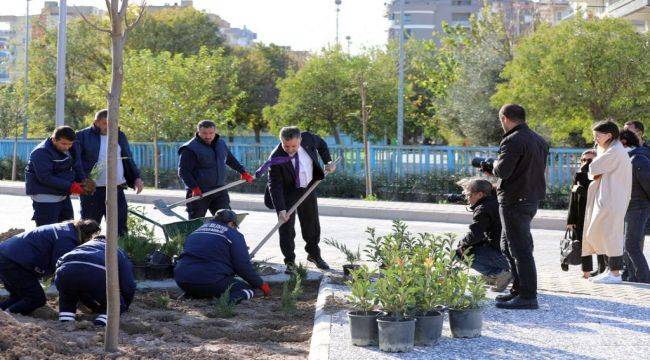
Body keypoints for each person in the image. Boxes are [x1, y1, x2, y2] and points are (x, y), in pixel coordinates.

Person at [481, 104, 548, 310]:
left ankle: (528, 296)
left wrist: (492, 164)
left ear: (505, 119)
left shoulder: (512, 140)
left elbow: (503, 171)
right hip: (530, 197)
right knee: (507, 245)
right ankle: (518, 289)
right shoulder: (539, 139)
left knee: (520, 249)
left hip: (515, 199)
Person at [258, 126, 336, 274]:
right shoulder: (276, 158)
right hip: (287, 193)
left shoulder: (309, 138)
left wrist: (328, 162)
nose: (290, 149)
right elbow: (275, 185)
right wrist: (281, 209)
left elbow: (322, 145)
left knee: (311, 224)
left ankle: (314, 255)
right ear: (281, 141)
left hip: (308, 187)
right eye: (286, 146)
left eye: (294, 146)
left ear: (300, 139)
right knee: (286, 228)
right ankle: (290, 261)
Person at [0, 220, 100, 315]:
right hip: (15, 262)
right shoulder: (67, 241)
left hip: (6, 254)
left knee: (19, 297)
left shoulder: (68, 229)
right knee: (36, 299)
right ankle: (7, 317)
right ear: (87, 237)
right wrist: (92, 304)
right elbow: (66, 275)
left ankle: (4, 315)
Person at [174, 209, 270, 303]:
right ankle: (221, 303)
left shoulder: (195, 232)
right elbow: (242, 266)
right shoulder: (233, 234)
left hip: (182, 281)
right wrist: (260, 284)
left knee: (207, 283)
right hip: (209, 281)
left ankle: (193, 294)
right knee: (247, 290)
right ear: (232, 223)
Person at [75, 109, 144, 236]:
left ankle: (119, 254)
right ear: (95, 122)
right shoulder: (82, 136)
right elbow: (76, 162)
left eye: (112, 123)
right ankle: (88, 254)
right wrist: (83, 180)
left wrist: (136, 178)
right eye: (104, 123)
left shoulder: (120, 135)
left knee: (120, 228)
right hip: (92, 190)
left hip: (116, 188)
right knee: (89, 228)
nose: (108, 127)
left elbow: (128, 157)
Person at [583, 121, 632, 284]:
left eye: (598, 135)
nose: (595, 139)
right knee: (604, 233)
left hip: (612, 199)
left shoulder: (615, 151)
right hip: (611, 198)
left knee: (610, 234)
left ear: (609, 135)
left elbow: (594, 167)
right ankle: (610, 271)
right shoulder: (613, 148)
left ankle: (615, 273)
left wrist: (596, 155)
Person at [178, 120, 255, 219]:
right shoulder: (190, 149)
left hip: (219, 190)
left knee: (227, 220)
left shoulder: (220, 143)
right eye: (204, 133)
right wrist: (194, 187)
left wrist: (243, 172)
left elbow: (230, 159)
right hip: (199, 192)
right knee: (196, 223)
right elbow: (183, 171)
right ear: (198, 132)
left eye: (211, 133)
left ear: (215, 132)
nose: (208, 136)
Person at [54, 235, 136, 326]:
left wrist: (92, 306)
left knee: (68, 298)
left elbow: (60, 264)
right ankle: (99, 325)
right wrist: (124, 305)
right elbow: (128, 284)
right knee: (115, 305)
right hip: (96, 272)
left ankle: (66, 322)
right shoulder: (117, 250)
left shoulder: (81, 247)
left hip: (65, 271)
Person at [455, 178, 512, 292]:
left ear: (480, 194)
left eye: (469, 195)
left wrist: (461, 244)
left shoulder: (483, 209)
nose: (467, 198)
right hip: (514, 254)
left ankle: (498, 274)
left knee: (461, 252)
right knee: (471, 246)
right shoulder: (496, 201)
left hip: (503, 256)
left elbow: (476, 234)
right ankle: (501, 274)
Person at [25, 126, 88, 226]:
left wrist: (83, 181)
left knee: (68, 228)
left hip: (63, 195)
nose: (67, 147)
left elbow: (77, 165)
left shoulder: (73, 146)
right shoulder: (41, 152)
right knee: (47, 231)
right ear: (54, 140)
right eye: (63, 144)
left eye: (70, 144)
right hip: (45, 197)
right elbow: (45, 177)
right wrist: (71, 186)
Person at [565, 149, 607, 278]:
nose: (586, 163)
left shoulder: (601, 175)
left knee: (599, 242)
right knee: (583, 244)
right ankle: (586, 271)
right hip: (580, 215)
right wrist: (570, 220)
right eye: (583, 160)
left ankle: (602, 269)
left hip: (596, 214)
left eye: (590, 160)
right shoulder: (578, 175)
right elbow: (573, 198)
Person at [619, 130, 650, 283]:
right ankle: (632, 276)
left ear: (623, 142)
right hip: (629, 207)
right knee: (628, 245)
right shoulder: (627, 158)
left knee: (631, 244)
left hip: (638, 207)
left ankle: (644, 278)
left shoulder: (639, 160)